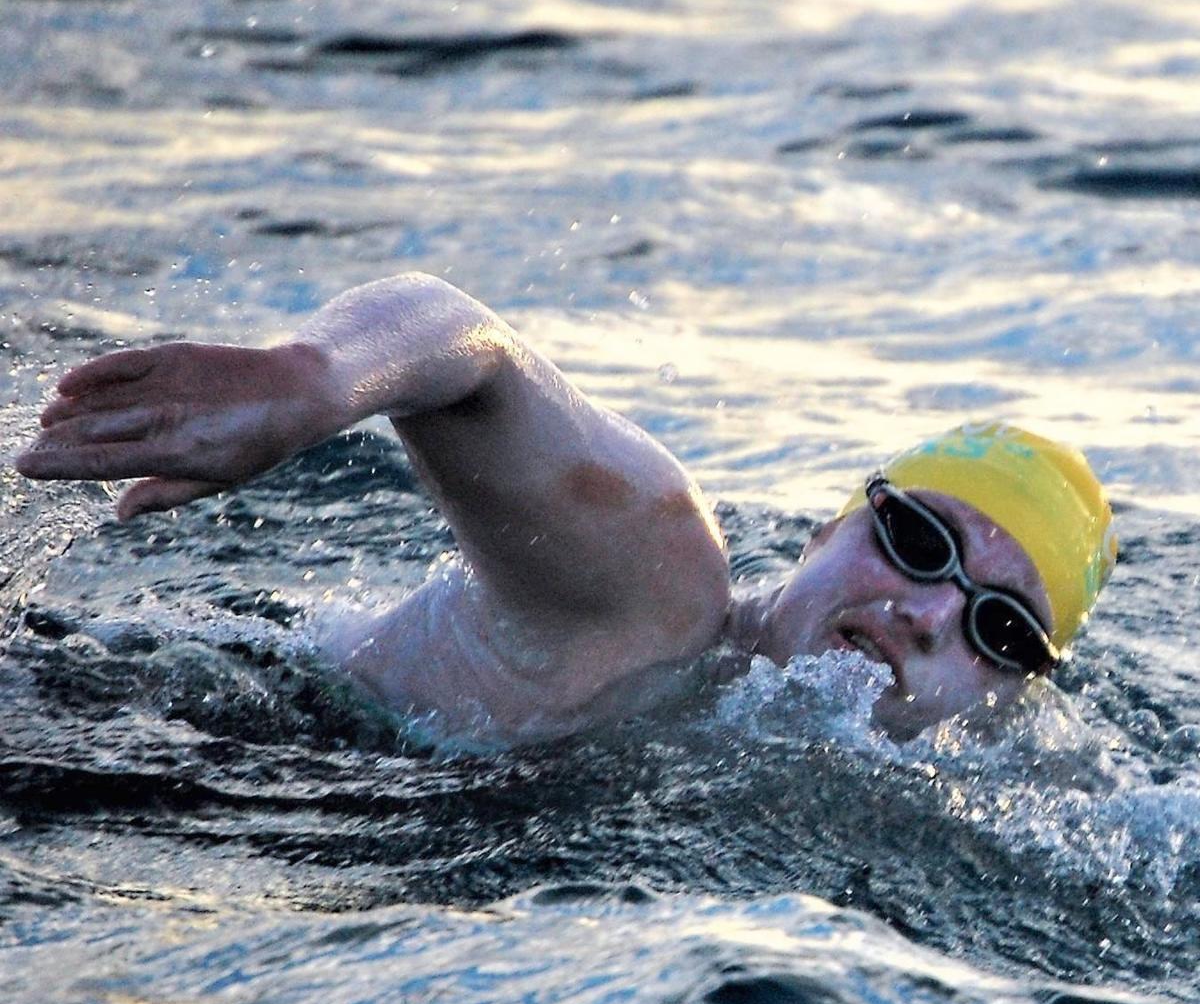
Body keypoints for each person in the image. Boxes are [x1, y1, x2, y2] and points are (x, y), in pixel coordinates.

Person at [15, 273, 1117, 743]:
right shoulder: (662, 589)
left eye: (999, 631)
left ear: (1007, 698)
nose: (931, 613)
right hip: (137, 731)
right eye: (918, 540)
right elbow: (465, 342)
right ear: (832, 527)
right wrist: (310, 382)